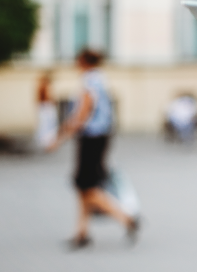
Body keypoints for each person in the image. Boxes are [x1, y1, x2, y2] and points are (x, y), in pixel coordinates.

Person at [49, 49, 139, 248]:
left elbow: (81, 114)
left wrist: (59, 137)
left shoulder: (89, 81)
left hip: (91, 139)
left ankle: (127, 218)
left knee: (87, 186)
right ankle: (82, 232)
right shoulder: (101, 78)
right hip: (100, 137)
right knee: (83, 186)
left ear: (83, 61)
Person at [35, 71, 58, 151]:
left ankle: (45, 142)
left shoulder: (40, 86)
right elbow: (49, 97)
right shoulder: (45, 86)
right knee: (48, 125)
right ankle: (48, 142)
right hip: (47, 107)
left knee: (44, 125)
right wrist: (53, 102)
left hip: (42, 107)